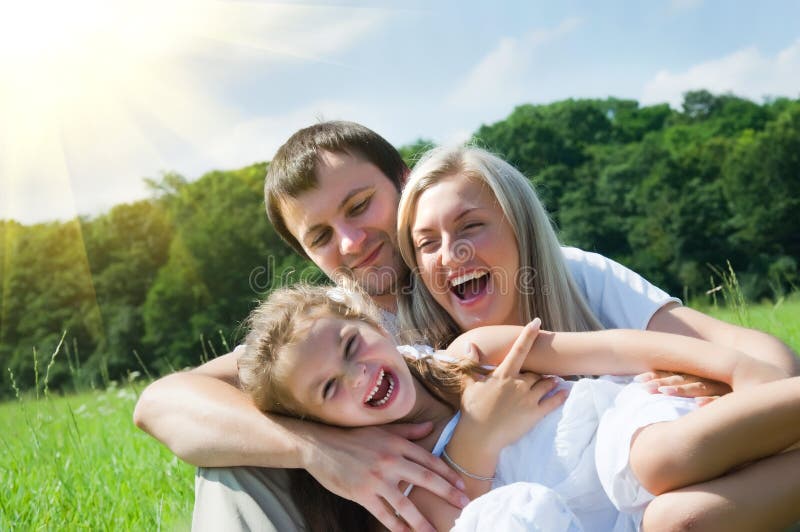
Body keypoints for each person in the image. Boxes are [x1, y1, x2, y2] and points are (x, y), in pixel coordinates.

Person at [133, 122, 799, 531]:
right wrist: (318, 448)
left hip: (633, 453)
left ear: (404, 181)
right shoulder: (325, 337)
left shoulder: (552, 273)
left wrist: (743, 384)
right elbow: (161, 402)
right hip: (599, 511)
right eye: (320, 237)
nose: (351, 241)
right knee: (233, 468)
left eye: (361, 205)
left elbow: (736, 347)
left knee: (663, 461)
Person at [236, 282, 800, 531]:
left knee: (655, 461)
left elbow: (612, 347)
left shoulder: (470, 355)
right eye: (330, 388)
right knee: (677, 524)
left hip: (623, 434)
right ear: (322, 424)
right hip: (617, 524)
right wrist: (475, 439)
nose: (359, 376)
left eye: (353, 345)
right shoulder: (398, 484)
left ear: (368, 321)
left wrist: (730, 368)